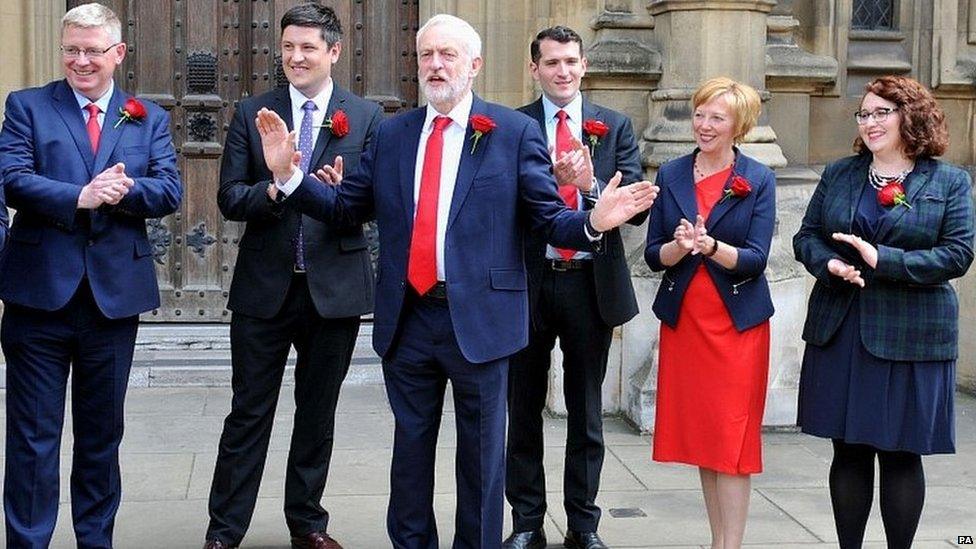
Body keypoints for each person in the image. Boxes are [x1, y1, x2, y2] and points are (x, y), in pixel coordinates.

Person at [252, 13, 658, 548]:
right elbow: (349, 208)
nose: (436, 65)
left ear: (475, 65)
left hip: (483, 322)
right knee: (410, 455)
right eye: (426, 55)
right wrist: (289, 177)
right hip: (410, 319)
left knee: (483, 460)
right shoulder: (394, 133)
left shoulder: (513, 132)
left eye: (448, 55)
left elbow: (544, 216)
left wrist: (591, 221)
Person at [0, 3, 182, 547]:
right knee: (33, 437)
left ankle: (94, 539)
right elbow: (12, 179)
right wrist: (79, 196)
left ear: (118, 53)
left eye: (92, 51)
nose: (81, 61)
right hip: (39, 298)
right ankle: (29, 541)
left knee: (102, 436)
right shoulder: (28, 106)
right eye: (71, 50)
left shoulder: (147, 116)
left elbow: (169, 189)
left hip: (112, 302)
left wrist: (123, 191)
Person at [202, 5, 382, 549]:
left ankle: (307, 523)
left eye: (307, 47)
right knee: (248, 412)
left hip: (335, 291)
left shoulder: (368, 117)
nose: (295, 57)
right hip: (265, 289)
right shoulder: (254, 110)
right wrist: (280, 184)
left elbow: (364, 207)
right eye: (288, 48)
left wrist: (325, 189)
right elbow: (231, 197)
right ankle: (223, 531)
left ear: (333, 51)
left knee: (317, 414)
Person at [793, 75, 973, 549]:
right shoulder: (841, 174)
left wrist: (882, 259)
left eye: (881, 113)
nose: (869, 122)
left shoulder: (949, 181)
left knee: (899, 454)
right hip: (842, 328)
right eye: (864, 114)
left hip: (911, 336)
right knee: (847, 452)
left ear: (909, 116)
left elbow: (957, 255)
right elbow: (806, 237)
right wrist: (830, 264)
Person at [503, 25, 648, 549]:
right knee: (522, 410)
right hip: (528, 285)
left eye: (570, 62)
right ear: (535, 68)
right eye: (551, 63)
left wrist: (587, 185)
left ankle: (584, 527)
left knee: (586, 413)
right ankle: (526, 524)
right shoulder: (512, 126)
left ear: (584, 65)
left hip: (590, 284)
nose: (562, 72)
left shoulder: (614, 126)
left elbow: (636, 206)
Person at [643, 77, 775, 549]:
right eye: (700, 114)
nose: (703, 124)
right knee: (705, 438)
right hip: (687, 323)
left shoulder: (757, 178)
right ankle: (719, 539)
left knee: (733, 443)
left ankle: (730, 545)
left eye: (716, 117)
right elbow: (653, 255)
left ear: (738, 125)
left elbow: (758, 258)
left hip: (736, 326)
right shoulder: (673, 172)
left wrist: (711, 246)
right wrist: (681, 249)